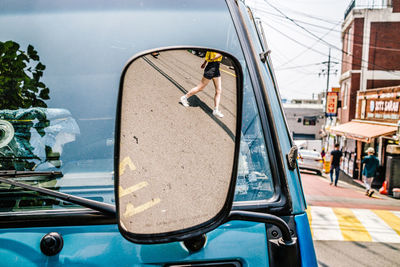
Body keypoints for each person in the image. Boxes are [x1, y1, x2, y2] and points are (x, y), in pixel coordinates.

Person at [180, 51, 224, 118]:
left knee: (218, 90)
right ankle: (184, 98)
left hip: (216, 69)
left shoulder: (217, 46)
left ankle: (216, 110)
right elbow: (212, 57)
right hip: (211, 68)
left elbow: (208, 57)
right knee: (200, 88)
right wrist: (222, 52)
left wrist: (204, 63)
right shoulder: (214, 47)